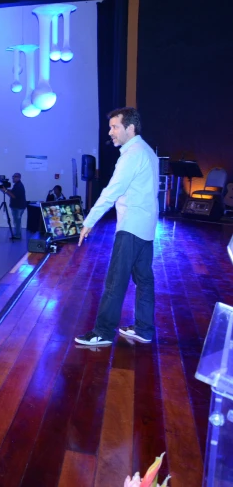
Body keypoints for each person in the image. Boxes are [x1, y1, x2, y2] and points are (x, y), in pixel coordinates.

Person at [75, 107, 159, 346]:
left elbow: (111, 192)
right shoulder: (148, 152)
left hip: (131, 226)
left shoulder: (132, 154)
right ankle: (143, 329)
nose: (110, 132)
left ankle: (102, 332)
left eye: (115, 127)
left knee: (115, 280)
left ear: (130, 128)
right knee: (144, 280)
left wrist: (89, 221)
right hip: (145, 227)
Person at [4, 173, 27, 239]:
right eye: (13, 177)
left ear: (19, 177)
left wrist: (5, 190)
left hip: (18, 207)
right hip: (18, 206)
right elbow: (13, 192)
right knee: (17, 221)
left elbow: (13, 196)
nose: (13, 178)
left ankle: (17, 235)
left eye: (14, 177)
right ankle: (17, 234)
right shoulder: (17, 185)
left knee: (17, 222)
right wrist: (7, 190)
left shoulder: (19, 186)